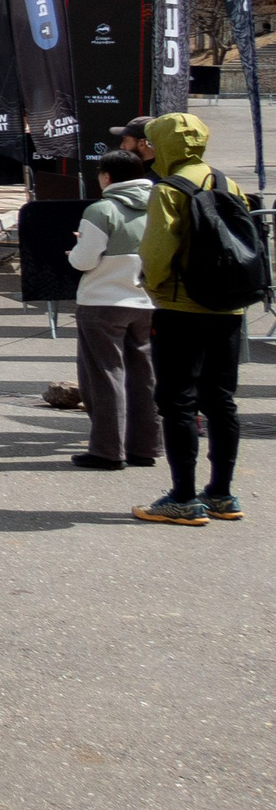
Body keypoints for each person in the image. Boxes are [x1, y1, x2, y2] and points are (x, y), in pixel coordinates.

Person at [134, 111, 251, 525]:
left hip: (182, 307)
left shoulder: (169, 188)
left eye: (151, 141)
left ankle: (182, 497)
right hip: (230, 307)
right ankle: (221, 493)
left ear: (166, 145)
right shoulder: (226, 181)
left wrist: (152, 283)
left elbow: (156, 251)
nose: (147, 148)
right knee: (221, 400)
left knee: (177, 401)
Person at [63, 150, 159, 472]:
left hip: (102, 302)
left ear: (106, 177)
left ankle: (107, 451)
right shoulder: (159, 205)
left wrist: (74, 251)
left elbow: (85, 260)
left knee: (104, 378)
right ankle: (145, 448)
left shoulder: (101, 209)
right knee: (144, 376)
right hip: (146, 301)